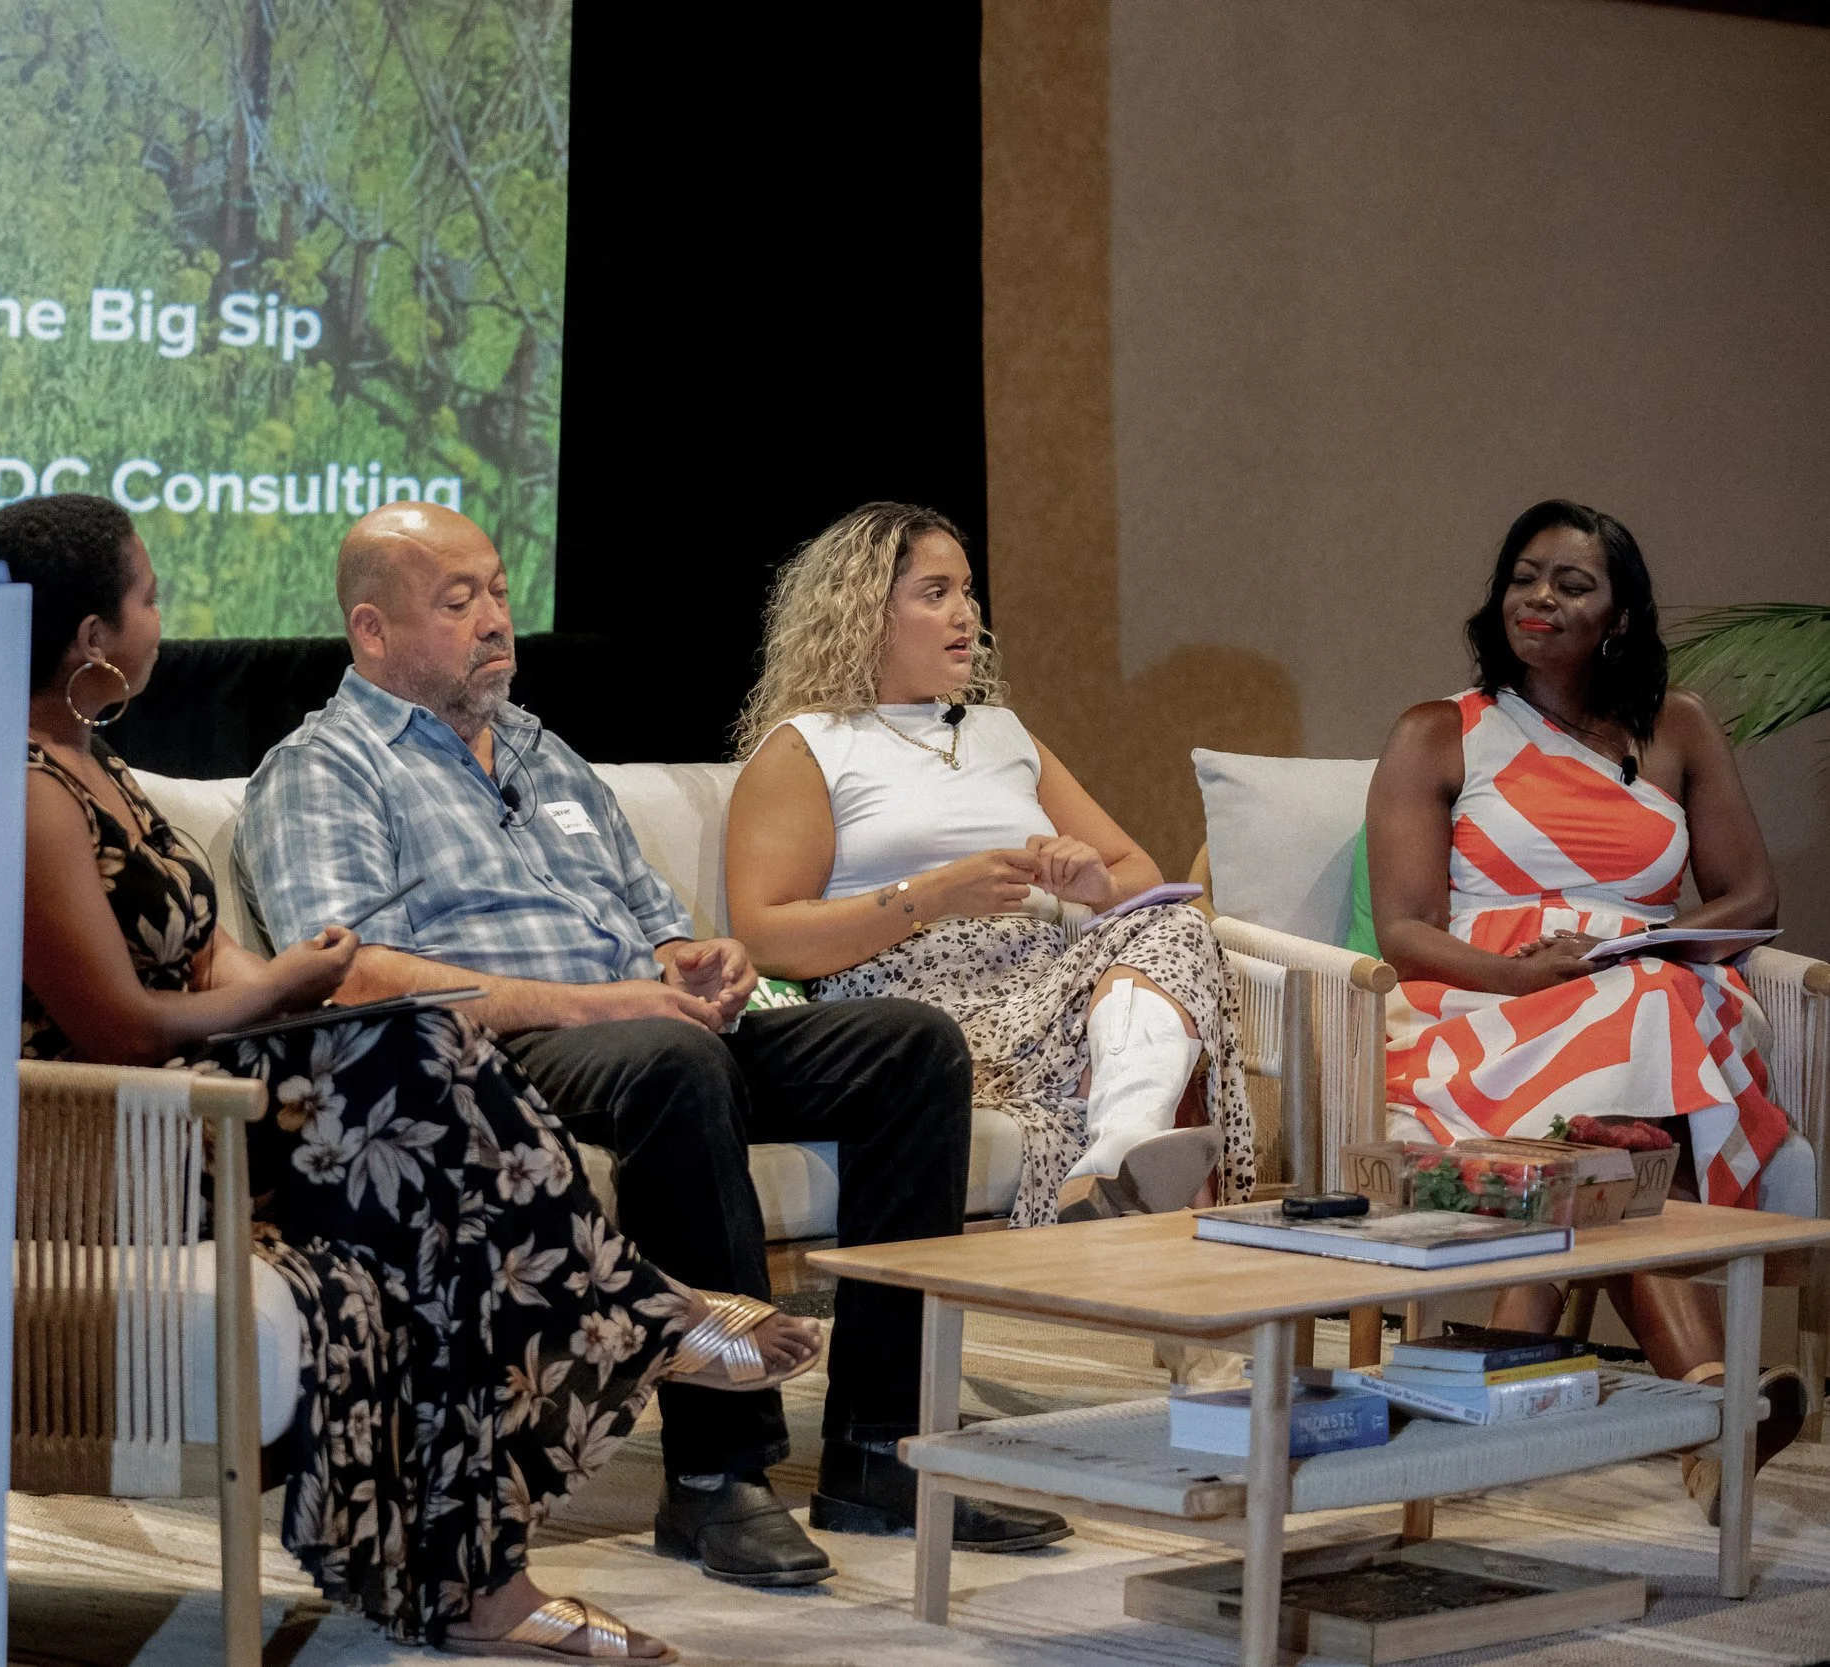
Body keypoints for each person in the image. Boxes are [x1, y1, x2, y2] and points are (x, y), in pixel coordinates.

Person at [0, 495, 826, 1660]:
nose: (161, 621)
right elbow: (120, 1027)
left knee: (422, 1062)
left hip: (207, 1102)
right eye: (149, 598)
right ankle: (631, 1310)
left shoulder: (99, 766)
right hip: (116, 1139)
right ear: (88, 639)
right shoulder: (23, 789)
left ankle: (493, 1568)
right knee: (410, 1057)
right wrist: (289, 988)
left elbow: (213, 958)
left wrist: (285, 978)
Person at [235, 502, 1073, 1590]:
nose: (495, 620)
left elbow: (653, 916)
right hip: (489, 1058)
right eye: (459, 602)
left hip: (641, 1030)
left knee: (908, 1045)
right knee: (669, 1061)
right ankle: (717, 1473)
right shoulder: (327, 765)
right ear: (372, 632)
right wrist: (592, 1004)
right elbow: (346, 974)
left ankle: (880, 1446)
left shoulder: (541, 749)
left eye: (497, 590)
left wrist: (700, 958)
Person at [1366, 497, 1811, 1513]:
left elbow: (1751, 897)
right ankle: (1708, 1398)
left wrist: (1630, 945)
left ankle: (1507, 1382)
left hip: (1655, 997)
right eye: (1524, 575)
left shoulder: (1677, 725)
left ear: (1617, 612)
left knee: (1647, 1002)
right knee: (1640, 1028)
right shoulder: (1439, 732)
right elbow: (1404, 928)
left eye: (1571, 582)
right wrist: (1528, 972)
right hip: (1484, 1010)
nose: (1540, 597)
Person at [725, 502, 1249, 1229]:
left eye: (966, 591)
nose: (964, 614)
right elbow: (762, 935)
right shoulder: (808, 745)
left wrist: (1096, 885)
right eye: (934, 594)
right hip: (913, 1016)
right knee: (1160, 994)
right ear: (864, 613)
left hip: (1041, 988)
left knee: (1178, 923)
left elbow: (1139, 872)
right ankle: (1124, 1167)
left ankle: (1119, 1153)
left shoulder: (1002, 732)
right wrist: (934, 894)